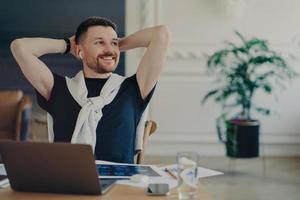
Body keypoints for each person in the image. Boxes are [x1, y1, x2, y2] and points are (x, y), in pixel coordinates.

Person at [10, 16, 170, 164]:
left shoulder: (134, 88)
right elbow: (19, 47)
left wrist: (117, 45)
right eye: (99, 42)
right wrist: (66, 45)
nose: (110, 49)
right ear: (80, 51)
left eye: (113, 43)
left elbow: (160, 34)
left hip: (119, 186)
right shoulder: (57, 88)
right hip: (67, 185)